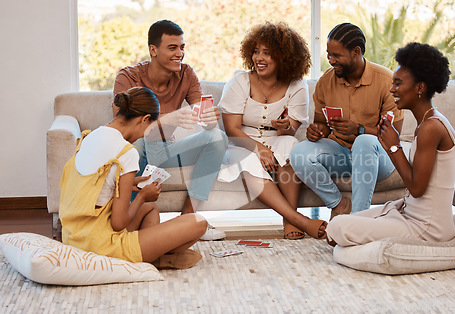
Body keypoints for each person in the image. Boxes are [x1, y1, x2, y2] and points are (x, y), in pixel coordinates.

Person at [59, 87, 207, 269]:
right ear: (145, 120)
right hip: (100, 245)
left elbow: (95, 185)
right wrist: (143, 196)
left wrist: (132, 184)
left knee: (150, 209)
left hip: (74, 237)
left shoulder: (90, 136)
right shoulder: (126, 152)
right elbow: (118, 223)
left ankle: (150, 254)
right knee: (199, 223)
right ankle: (152, 260)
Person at [326, 42, 455, 246]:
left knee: (338, 228)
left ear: (420, 87)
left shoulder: (431, 128)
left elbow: (417, 189)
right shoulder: (427, 121)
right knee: (337, 227)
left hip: (427, 227)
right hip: (411, 213)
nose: (391, 88)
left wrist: (393, 146)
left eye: (398, 83)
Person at [113, 20, 228, 241]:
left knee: (217, 137)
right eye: (173, 48)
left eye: (182, 47)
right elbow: (124, 124)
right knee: (137, 143)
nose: (180, 53)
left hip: (168, 149)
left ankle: (189, 216)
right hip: (140, 148)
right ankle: (128, 222)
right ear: (153, 50)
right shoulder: (128, 77)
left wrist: (210, 119)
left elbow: (202, 117)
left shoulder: (186, 74)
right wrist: (166, 119)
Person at [218, 22, 327, 240]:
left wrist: (286, 127)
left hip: (277, 139)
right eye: (256, 51)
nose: (259, 58)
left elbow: (292, 131)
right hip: (242, 141)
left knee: (291, 148)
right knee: (247, 160)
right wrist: (258, 148)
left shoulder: (297, 85)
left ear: (284, 57)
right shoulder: (240, 81)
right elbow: (231, 129)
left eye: (267, 53)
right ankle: (298, 219)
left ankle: (288, 220)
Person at [289, 23, 404, 220]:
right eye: (328, 54)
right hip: (341, 155)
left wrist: (359, 129)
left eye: (336, 55)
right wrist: (316, 131)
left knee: (364, 141)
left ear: (356, 52)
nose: (331, 60)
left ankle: (359, 218)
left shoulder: (385, 80)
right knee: (299, 153)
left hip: (378, 157)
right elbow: (322, 125)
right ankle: (339, 204)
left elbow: (393, 135)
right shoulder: (326, 82)